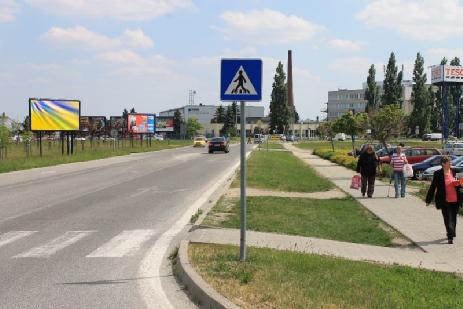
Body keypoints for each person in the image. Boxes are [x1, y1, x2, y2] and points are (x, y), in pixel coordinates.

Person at [426, 156, 461, 244]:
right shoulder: (438, 173)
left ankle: (452, 233)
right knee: (447, 218)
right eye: (449, 163)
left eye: (451, 163)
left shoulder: (453, 171)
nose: (451, 164)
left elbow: (459, 184)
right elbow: (433, 187)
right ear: (443, 164)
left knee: (453, 218)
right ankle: (450, 236)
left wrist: (459, 183)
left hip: (455, 199)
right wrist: (428, 200)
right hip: (444, 200)